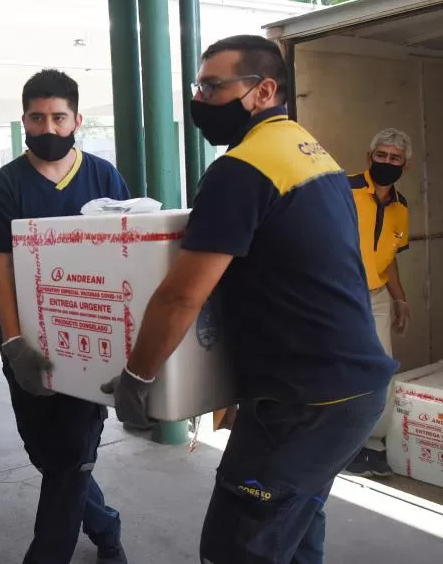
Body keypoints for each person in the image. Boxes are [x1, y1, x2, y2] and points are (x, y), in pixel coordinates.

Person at [102, 35, 397, 564]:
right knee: (296, 526)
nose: (201, 99)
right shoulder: (310, 150)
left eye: (214, 87)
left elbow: (180, 296)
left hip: (306, 401)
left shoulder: (242, 170)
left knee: (238, 548)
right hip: (346, 389)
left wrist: (138, 378)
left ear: (263, 90)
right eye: (198, 85)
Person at [0, 69, 129, 564]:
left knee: (72, 457)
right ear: (24, 122)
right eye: (38, 118)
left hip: (91, 342)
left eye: (59, 118)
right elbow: (3, 270)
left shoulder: (104, 177)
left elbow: (126, 260)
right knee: (49, 455)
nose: (49, 128)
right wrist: (15, 344)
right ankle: (104, 525)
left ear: (77, 119)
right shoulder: (3, 186)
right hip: (29, 345)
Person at [343, 128, 412, 478]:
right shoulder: (344, 189)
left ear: (406, 165)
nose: (387, 162)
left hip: (378, 298)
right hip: (341, 297)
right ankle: (344, 447)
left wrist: (400, 300)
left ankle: (372, 444)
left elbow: (390, 259)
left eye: (395, 158)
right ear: (369, 158)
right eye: (382, 156)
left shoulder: (401, 207)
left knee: (384, 372)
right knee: (344, 372)